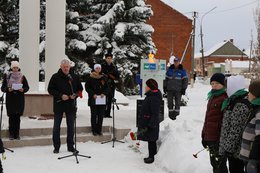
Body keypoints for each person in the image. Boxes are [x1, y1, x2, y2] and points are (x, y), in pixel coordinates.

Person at [48, 58, 83, 154]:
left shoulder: (74, 77)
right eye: (64, 67)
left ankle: (70, 146)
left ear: (69, 67)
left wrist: (75, 95)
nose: (66, 68)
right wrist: (60, 95)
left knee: (71, 127)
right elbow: (50, 89)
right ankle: (56, 147)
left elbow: (80, 89)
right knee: (56, 127)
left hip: (70, 105)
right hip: (59, 104)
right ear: (61, 67)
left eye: (67, 67)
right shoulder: (55, 77)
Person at [219, 75, 251, 173]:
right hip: (233, 149)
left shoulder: (240, 104)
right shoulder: (233, 100)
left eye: (227, 87)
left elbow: (236, 130)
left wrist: (228, 149)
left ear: (233, 87)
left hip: (236, 151)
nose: (225, 89)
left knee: (236, 170)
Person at [201, 73, 228, 173]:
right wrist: (204, 135)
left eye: (216, 83)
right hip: (210, 137)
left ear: (222, 84)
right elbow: (208, 118)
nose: (214, 85)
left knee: (220, 164)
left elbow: (225, 120)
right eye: (212, 83)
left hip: (218, 138)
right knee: (214, 163)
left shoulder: (225, 98)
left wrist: (221, 139)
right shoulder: (212, 96)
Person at [1, 61, 29, 140]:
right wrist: (8, 89)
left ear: (18, 68)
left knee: (17, 117)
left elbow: (27, 87)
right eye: (14, 67)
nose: (15, 69)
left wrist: (22, 89)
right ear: (11, 68)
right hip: (10, 99)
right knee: (11, 117)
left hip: (19, 99)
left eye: (16, 67)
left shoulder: (22, 76)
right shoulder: (7, 76)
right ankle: (11, 134)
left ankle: (17, 134)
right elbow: (2, 88)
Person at [137, 79, 162, 164]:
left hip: (151, 124)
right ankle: (150, 156)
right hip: (148, 122)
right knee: (150, 140)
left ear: (150, 87)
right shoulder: (151, 96)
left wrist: (151, 124)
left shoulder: (154, 98)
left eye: (146, 86)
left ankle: (152, 157)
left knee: (152, 141)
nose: (145, 87)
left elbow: (155, 113)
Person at [240, 80, 260, 173]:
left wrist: (253, 159)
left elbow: (259, 137)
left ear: (256, 94)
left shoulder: (259, 111)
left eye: (250, 92)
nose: (248, 94)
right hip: (250, 156)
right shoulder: (254, 107)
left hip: (254, 158)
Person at [85, 64, 109, 136]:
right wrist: (93, 94)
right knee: (94, 115)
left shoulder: (104, 77)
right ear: (94, 69)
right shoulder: (90, 77)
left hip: (101, 99)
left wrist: (104, 93)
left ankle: (99, 130)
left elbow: (107, 87)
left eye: (99, 68)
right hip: (93, 99)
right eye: (97, 68)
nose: (98, 69)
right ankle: (94, 130)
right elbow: (87, 87)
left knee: (101, 115)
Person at [101, 53, 120, 118]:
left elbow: (117, 76)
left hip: (111, 84)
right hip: (104, 85)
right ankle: (103, 113)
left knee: (110, 99)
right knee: (104, 99)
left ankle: (108, 113)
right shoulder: (102, 66)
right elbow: (100, 74)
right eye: (108, 58)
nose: (109, 60)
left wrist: (112, 77)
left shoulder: (114, 66)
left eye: (110, 58)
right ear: (105, 59)